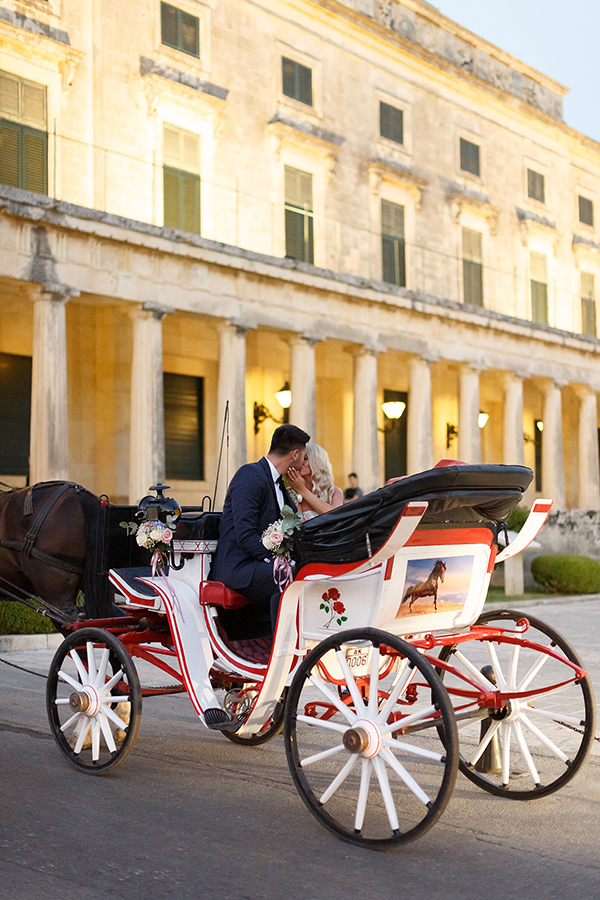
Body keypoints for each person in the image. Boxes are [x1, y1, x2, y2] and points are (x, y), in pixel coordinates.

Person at [210, 422, 310, 629]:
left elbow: (294, 529)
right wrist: (279, 562)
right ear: (294, 454)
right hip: (239, 567)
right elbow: (245, 535)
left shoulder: (281, 484)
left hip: (262, 564)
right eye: (304, 456)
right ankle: (280, 649)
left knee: (308, 573)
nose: (303, 463)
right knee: (285, 577)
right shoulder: (250, 475)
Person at [286, 443, 343, 521]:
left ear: (317, 463)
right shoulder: (289, 493)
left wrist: (303, 490)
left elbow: (336, 517)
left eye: (305, 458)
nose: (300, 462)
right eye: (298, 459)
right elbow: (301, 526)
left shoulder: (335, 492)